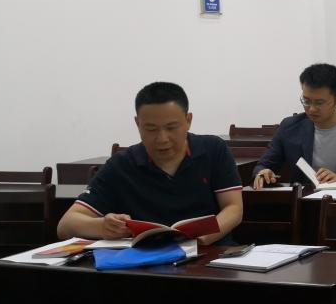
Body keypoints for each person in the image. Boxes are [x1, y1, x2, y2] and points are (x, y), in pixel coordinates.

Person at [57, 82, 243, 243]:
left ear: (188, 120)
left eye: (171, 127)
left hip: (211, 254)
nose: (162, 139)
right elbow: (65, 225)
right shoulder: (122, 165)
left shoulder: (213, 150)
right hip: (145, 263)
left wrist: (203, 238)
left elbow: (233, 208)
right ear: (137, 124)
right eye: (151, 129)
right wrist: (102, 227)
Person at [253, 63, 336, 188]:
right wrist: (263, 172)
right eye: (306, 101)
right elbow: (263, 165)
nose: (311, 109)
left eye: (319, 103)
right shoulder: (289, 127)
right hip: (305, 200)